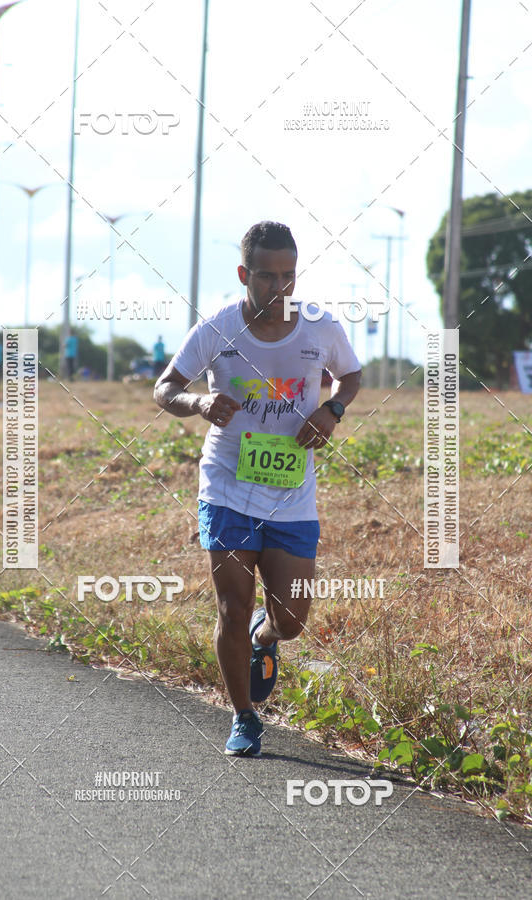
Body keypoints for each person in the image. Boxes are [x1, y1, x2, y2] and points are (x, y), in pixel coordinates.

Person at [154, 221, 361, 757]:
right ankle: (244, 717)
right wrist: (199, 404)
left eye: (288, 276)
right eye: (267, 277)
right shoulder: (218, 329)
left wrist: (332, 409)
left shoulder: (319, 328)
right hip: (227, 489)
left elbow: (352, 375)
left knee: (291, 620)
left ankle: (262, 640)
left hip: (292, 494)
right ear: (245, 275)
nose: (280, 288)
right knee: (231, 605)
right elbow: (166, 386)